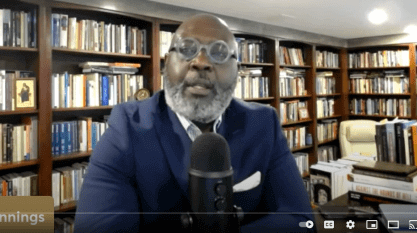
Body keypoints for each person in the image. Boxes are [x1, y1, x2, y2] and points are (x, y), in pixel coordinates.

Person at [74, 14, 315, 232]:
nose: (200, 62)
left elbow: (301, 220)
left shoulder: (264, 122)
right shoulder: (127, 125)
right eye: (187, 50)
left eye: (219, 53)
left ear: (237, 71)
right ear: (166, 64)